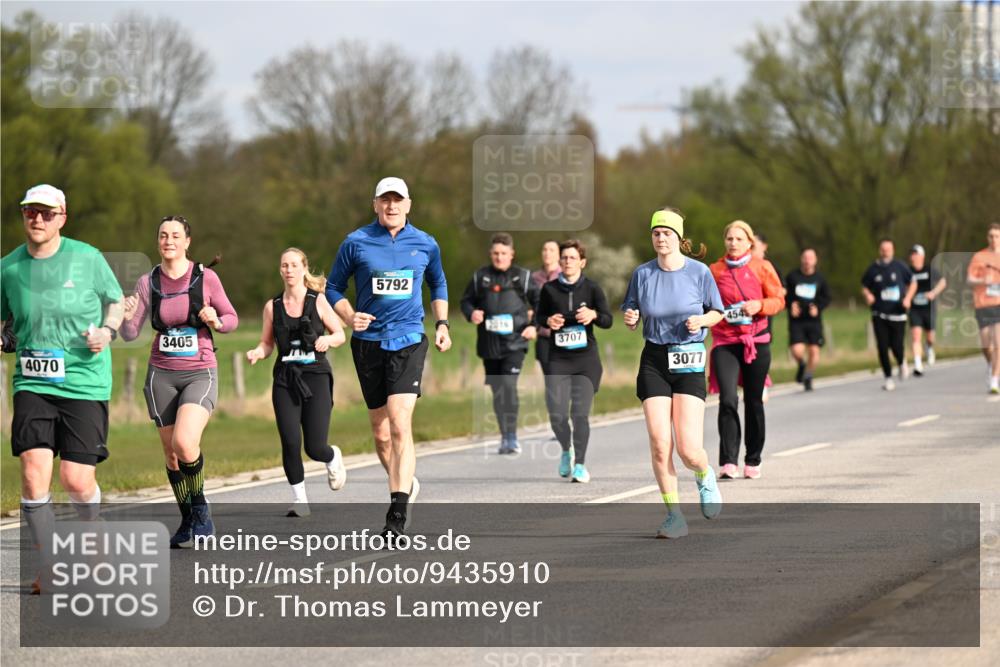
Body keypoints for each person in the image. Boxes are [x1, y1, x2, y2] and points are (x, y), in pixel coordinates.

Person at [1, 184, 124, 591]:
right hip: (32, 382)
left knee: (75, 479)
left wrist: (107, 331)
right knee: (35, 475)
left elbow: (116, 302)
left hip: (83, 382)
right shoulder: (9, 268)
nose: (36, 219)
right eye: (29, 212)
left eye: (45, 213)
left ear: (62, 217)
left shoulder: (87, 258)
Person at [326, 177, 451, 538]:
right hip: (368, 343)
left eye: (398, 200)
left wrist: (441, 323)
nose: (392, 206)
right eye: (385, 200)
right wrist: (349, 316)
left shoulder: (425, 243)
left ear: (408, 204)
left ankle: (396, 514)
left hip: (409, 339)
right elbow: (333, 286)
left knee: (399, 423)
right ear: (375, 204)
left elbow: (438, 283)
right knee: (381, 434)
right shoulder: (356, 242)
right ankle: (405, 485)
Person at [120, 216, 237, 546]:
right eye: (162, 235)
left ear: (187, 241)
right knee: (171, 455)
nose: (168, 240)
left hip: (200, 370)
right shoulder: (148, 282)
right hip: (161, 373)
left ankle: (201, 510)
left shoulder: (205, 277)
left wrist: (216, 319)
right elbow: (130, 333)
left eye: (175, 235)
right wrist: (126, 317)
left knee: (185, 443)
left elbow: (232, 319)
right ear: (157, 242)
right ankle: (187, 521)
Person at [622, 208, 724, 539]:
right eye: (656, 233)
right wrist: (631, 318)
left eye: (667, 233)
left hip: (690, 360)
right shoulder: (642, 273)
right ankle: (674, 515)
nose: (661, 238)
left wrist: (702, 321)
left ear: (679, 238)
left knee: (688, 449)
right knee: (659, 443)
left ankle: (704, 474)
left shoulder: (699, 272)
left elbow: (717, 312)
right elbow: (632, 308)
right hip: (654, 358)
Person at [247, 248, 347, 516]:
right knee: (290, 440)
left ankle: (331, 456)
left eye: (293, 265)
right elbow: (267, 343)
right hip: (285, 379)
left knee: (314, 447)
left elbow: (340, 334)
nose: (289, 270)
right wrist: (258, 352)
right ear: (280, 271)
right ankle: (300, 500)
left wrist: (328, 339)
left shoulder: (319, 301)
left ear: (304, 268)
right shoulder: (273, 307)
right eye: (284, 266)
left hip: (316, 376)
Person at [708, 220, 785, 480]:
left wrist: (759, 305)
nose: (733, 243)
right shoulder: (715, 270)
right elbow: (705, 302)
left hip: (756, 342)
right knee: (728, 399)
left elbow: (778, 300)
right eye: (729, 239)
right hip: (725, 342)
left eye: (739, 239)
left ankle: (753, 459)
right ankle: (728, 461)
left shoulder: (762, 267)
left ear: (749, 242)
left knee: (753, 401)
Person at [535, 239, 613, 483]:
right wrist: (549, 321)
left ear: (582, 262)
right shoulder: (549, 289)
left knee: (580, 414)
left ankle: (580, 464)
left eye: (572, 258)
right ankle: (566, 451)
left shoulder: (592, 288)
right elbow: (539, 317)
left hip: (585, 360)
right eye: (564, 258)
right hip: (558, 358)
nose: (568, 262)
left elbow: (608, 320)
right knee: (557, 414)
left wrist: (594, 314)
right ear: (560, 262)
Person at [460, 233, 539, 454]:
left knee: (508, 384)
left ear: (511, 255)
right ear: (490, 254)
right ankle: (505, 435)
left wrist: (533, 325)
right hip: (489, 344)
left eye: (503, 253)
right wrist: (472, 313)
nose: (499, 257)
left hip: (515, 342)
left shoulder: (522, 277)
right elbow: (466, 301)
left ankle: (512, 436)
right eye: (495, 253)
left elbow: (540, 301)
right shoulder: (480, 277)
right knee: (497, 390)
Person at [861, 238, 916, 391]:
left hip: (898, 313)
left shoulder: (900, 266)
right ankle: (888, 377)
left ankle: (901, 361)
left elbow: (913, 282)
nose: (886, 252)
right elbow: (864, 286)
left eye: (889, 249)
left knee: (897, 345)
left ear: (893, 250)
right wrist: (868, 295)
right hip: (880, 313)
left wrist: (908, 298)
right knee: (882, 347)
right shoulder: (873, 269)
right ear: (880, 251)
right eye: (883, 249)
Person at [785, 248, 832, 391]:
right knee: (797, 351)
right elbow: (783, 294)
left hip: (814, 321)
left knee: (814, 351)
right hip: (797, 320)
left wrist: (818, 307)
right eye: (805, 257)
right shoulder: (792, 277)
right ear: (801, 259)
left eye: (810, 258)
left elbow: (827, 298)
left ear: (815, 260)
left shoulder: (820, 279)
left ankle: (808, 376)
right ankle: (802, 365)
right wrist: (790, 305)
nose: (807, 261)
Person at [967, 223, 1000, 394]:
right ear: (987, 238)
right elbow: (969, 279)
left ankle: (994, 380)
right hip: (983, 304)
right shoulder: (979, 257)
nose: (994, 239)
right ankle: (990, 364)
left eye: (997, 236)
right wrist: (982, 281)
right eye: (991, 236)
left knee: (998, 343)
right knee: (987, 345)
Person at [908, 244, 946, 376]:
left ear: (921, 256)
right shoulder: (908, 271)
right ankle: (918, 364)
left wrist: (933, 293)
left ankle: (929, 347)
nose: (913, 257)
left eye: (915, 254)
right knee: (916, 336)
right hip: (915, 309)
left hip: (929, 308)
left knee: (930, 337)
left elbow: (943, 282)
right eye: (911, 254)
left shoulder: (929, 269)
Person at [531, 240, 562, 374]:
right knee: (551, 382)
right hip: (543, 336)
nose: (547, 253)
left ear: (559, 254)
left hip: (564, 335)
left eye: (551, 250)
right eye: (544, 249)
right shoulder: (533, 278)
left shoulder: (566, 276)